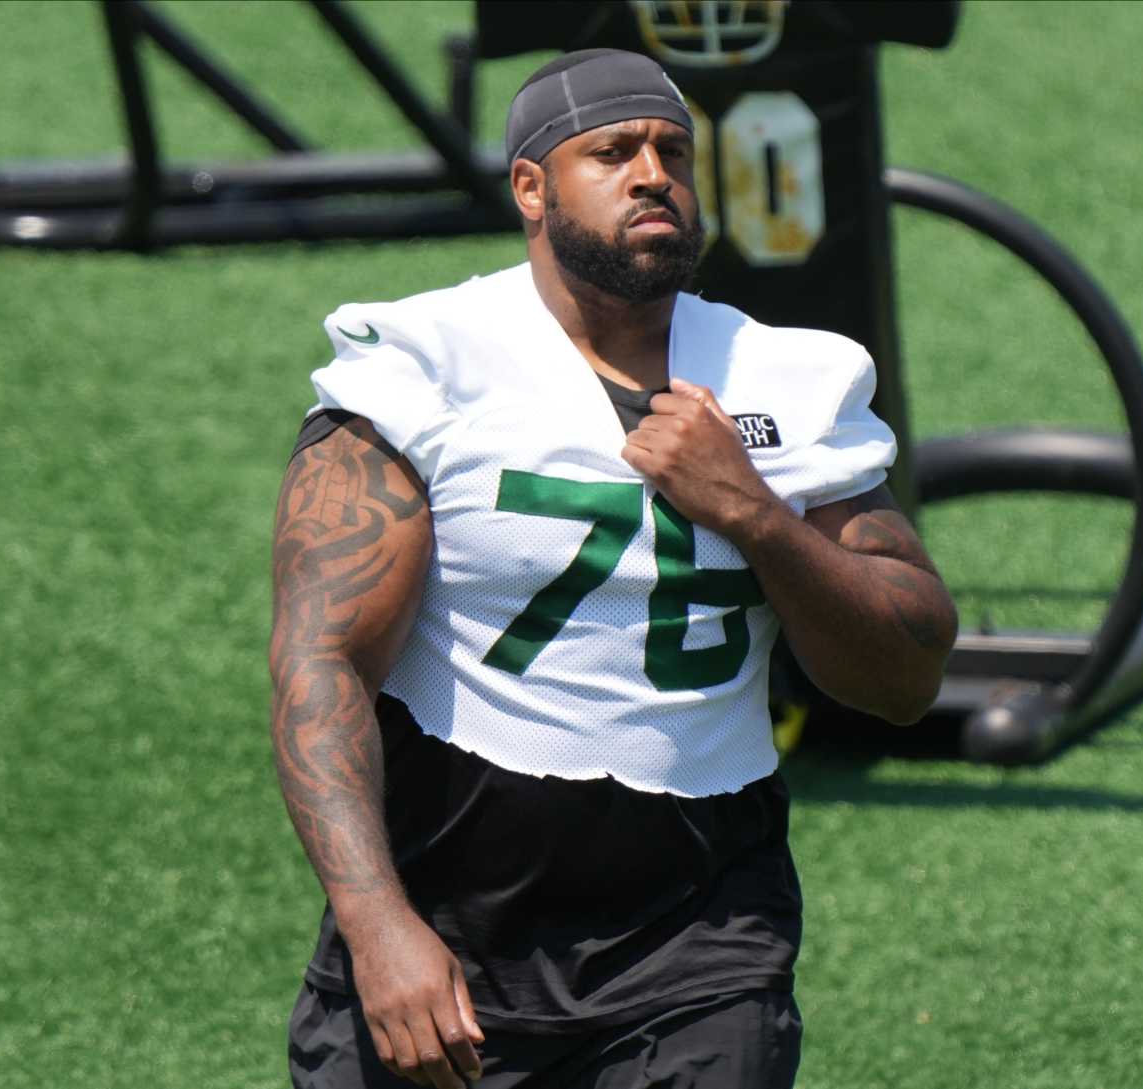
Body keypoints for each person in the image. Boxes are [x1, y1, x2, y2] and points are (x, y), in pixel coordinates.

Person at [269, 48, 957, 1089]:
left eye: (673, 152)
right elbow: (321, 665)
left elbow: (904, 678)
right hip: (451, 929)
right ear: (532, 188)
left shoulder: (794, 379)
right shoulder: (418, 369)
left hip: (701, 939)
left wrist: (757, 517)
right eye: (613, 152)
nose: (653, 174)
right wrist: (377, 931)